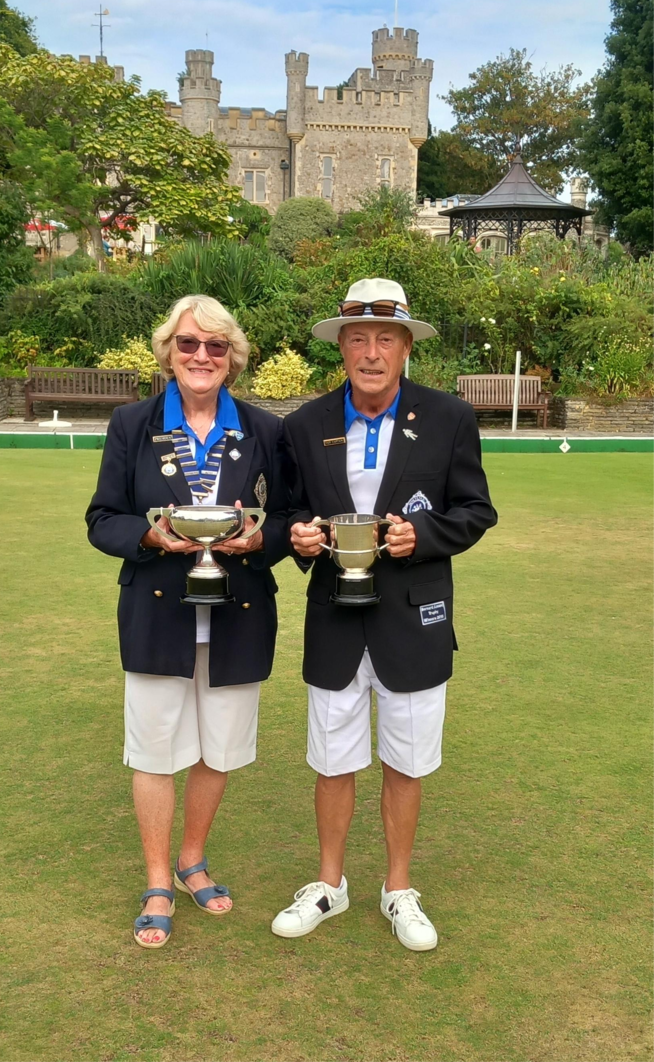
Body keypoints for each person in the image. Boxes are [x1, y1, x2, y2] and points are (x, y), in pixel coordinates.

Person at [271, 277, 497, 951]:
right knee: (333, 760)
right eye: (359, 339)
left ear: (406, 347)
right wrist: (299, 537)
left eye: (387, 340)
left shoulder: (451, 417)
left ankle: (398, 889)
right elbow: (284, 512)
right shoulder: (303, 426)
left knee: (405, 761)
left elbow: (475, 511)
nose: (373, 353)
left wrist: (419, 539)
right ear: (340, 347)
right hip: (334, 615)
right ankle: (329, 885)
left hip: (414, 614)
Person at [86, 294, 289, 948]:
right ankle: (155, 879)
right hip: (156, 611)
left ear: (233, 357)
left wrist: (260, 541)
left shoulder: (265, 431)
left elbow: (290, 519)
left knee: (218, 749)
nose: (201, 356)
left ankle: (191, 859)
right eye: (188, 344)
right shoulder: (131, 423)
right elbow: (103, 518)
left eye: (216, 346)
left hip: (239, 613)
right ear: (168, 352)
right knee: (153, 750)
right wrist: (152, 540)